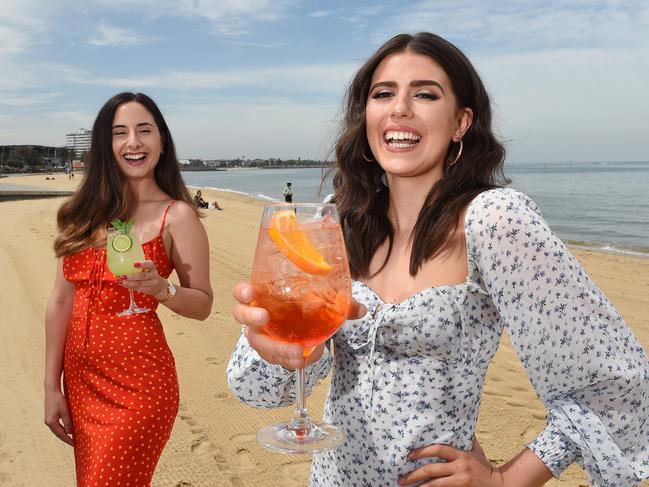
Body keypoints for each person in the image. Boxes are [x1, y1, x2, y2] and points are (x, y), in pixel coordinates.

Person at [227, 32, 649, 487]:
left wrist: (507, 479)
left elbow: (619, 383)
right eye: (383, 94)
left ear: (461, 122)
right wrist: (272, 345)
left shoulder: (494, 219)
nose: (399, 108)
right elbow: (258, 392)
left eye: (425, 94)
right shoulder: (341, 222)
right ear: (366, 117)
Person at [44, 92, 213, 486]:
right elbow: (59, 301)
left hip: (140, 386)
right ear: (106, 145)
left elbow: (203, 304)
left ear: (161, 142)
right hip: (82, 384)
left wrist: (161, 289)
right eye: (120, 133)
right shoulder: (83, 214)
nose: (133, 142)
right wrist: (52, 386)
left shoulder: (178, 216)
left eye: (144, 131)